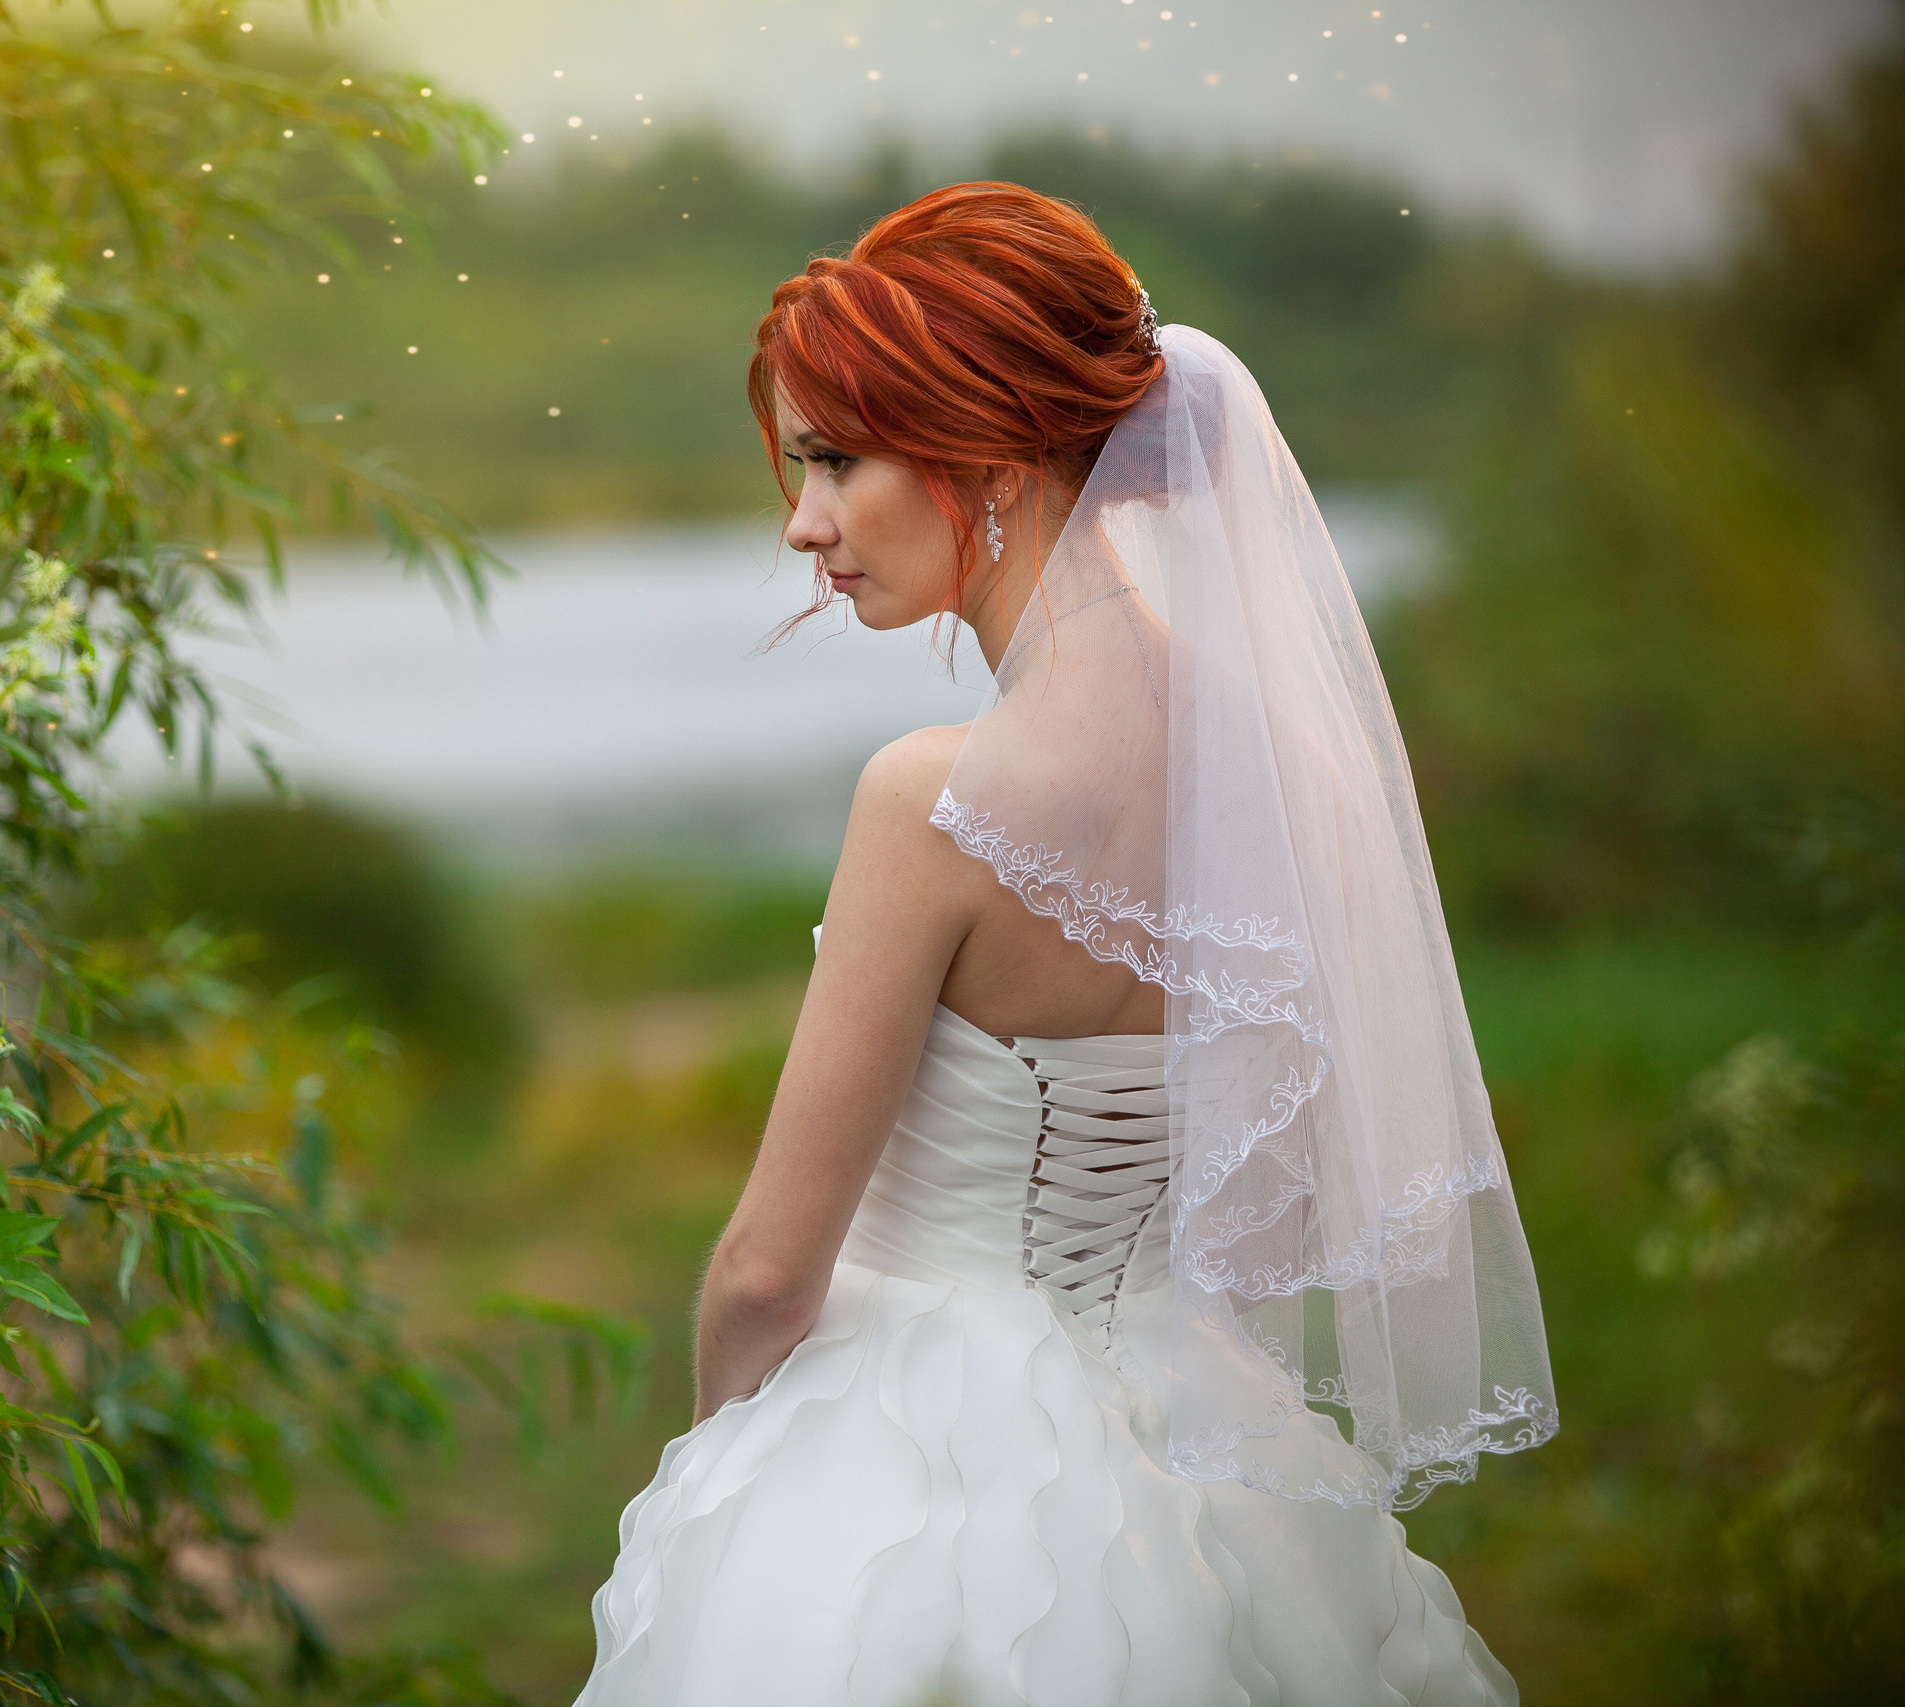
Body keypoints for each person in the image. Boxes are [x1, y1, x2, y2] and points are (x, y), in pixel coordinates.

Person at [574, 183, 1557, 1707]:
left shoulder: (935, 801)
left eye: (837, 460)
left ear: (996, 455)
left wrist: (723, 1468)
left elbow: (771, 1272)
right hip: (1204, 1442)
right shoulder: (1285, 762)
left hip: (905, 1455)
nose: (803, 522)